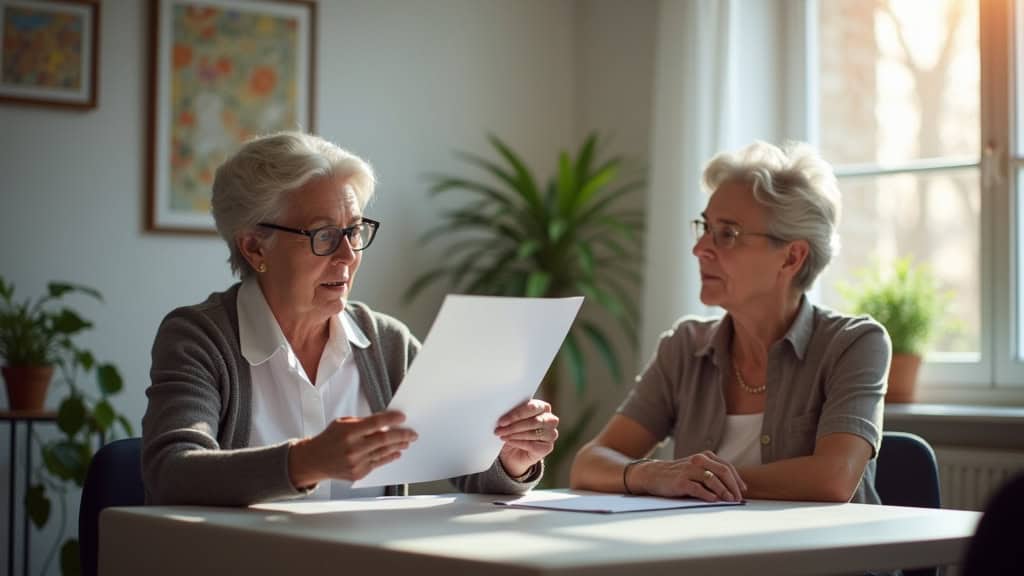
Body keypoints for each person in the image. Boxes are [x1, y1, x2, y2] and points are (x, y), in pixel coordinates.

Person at [142, 132, 558, 505]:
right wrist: (304, 461)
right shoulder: (199, 337)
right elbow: (171, 472)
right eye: (324, 235)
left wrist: (510, 458)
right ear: (255, 248)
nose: (347, 256)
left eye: (355, 232)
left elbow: (470, 468)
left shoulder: (386, 343)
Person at [570, 141, 890, 504]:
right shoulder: (685, 346)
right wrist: (656, 474)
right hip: (711, 557)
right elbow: (589, 463)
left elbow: (834, 479)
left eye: (727, 233)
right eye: (705, 228)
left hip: (822, 560)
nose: (700, 248)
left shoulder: (854, 344)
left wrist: (698, 481)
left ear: (792, 257)